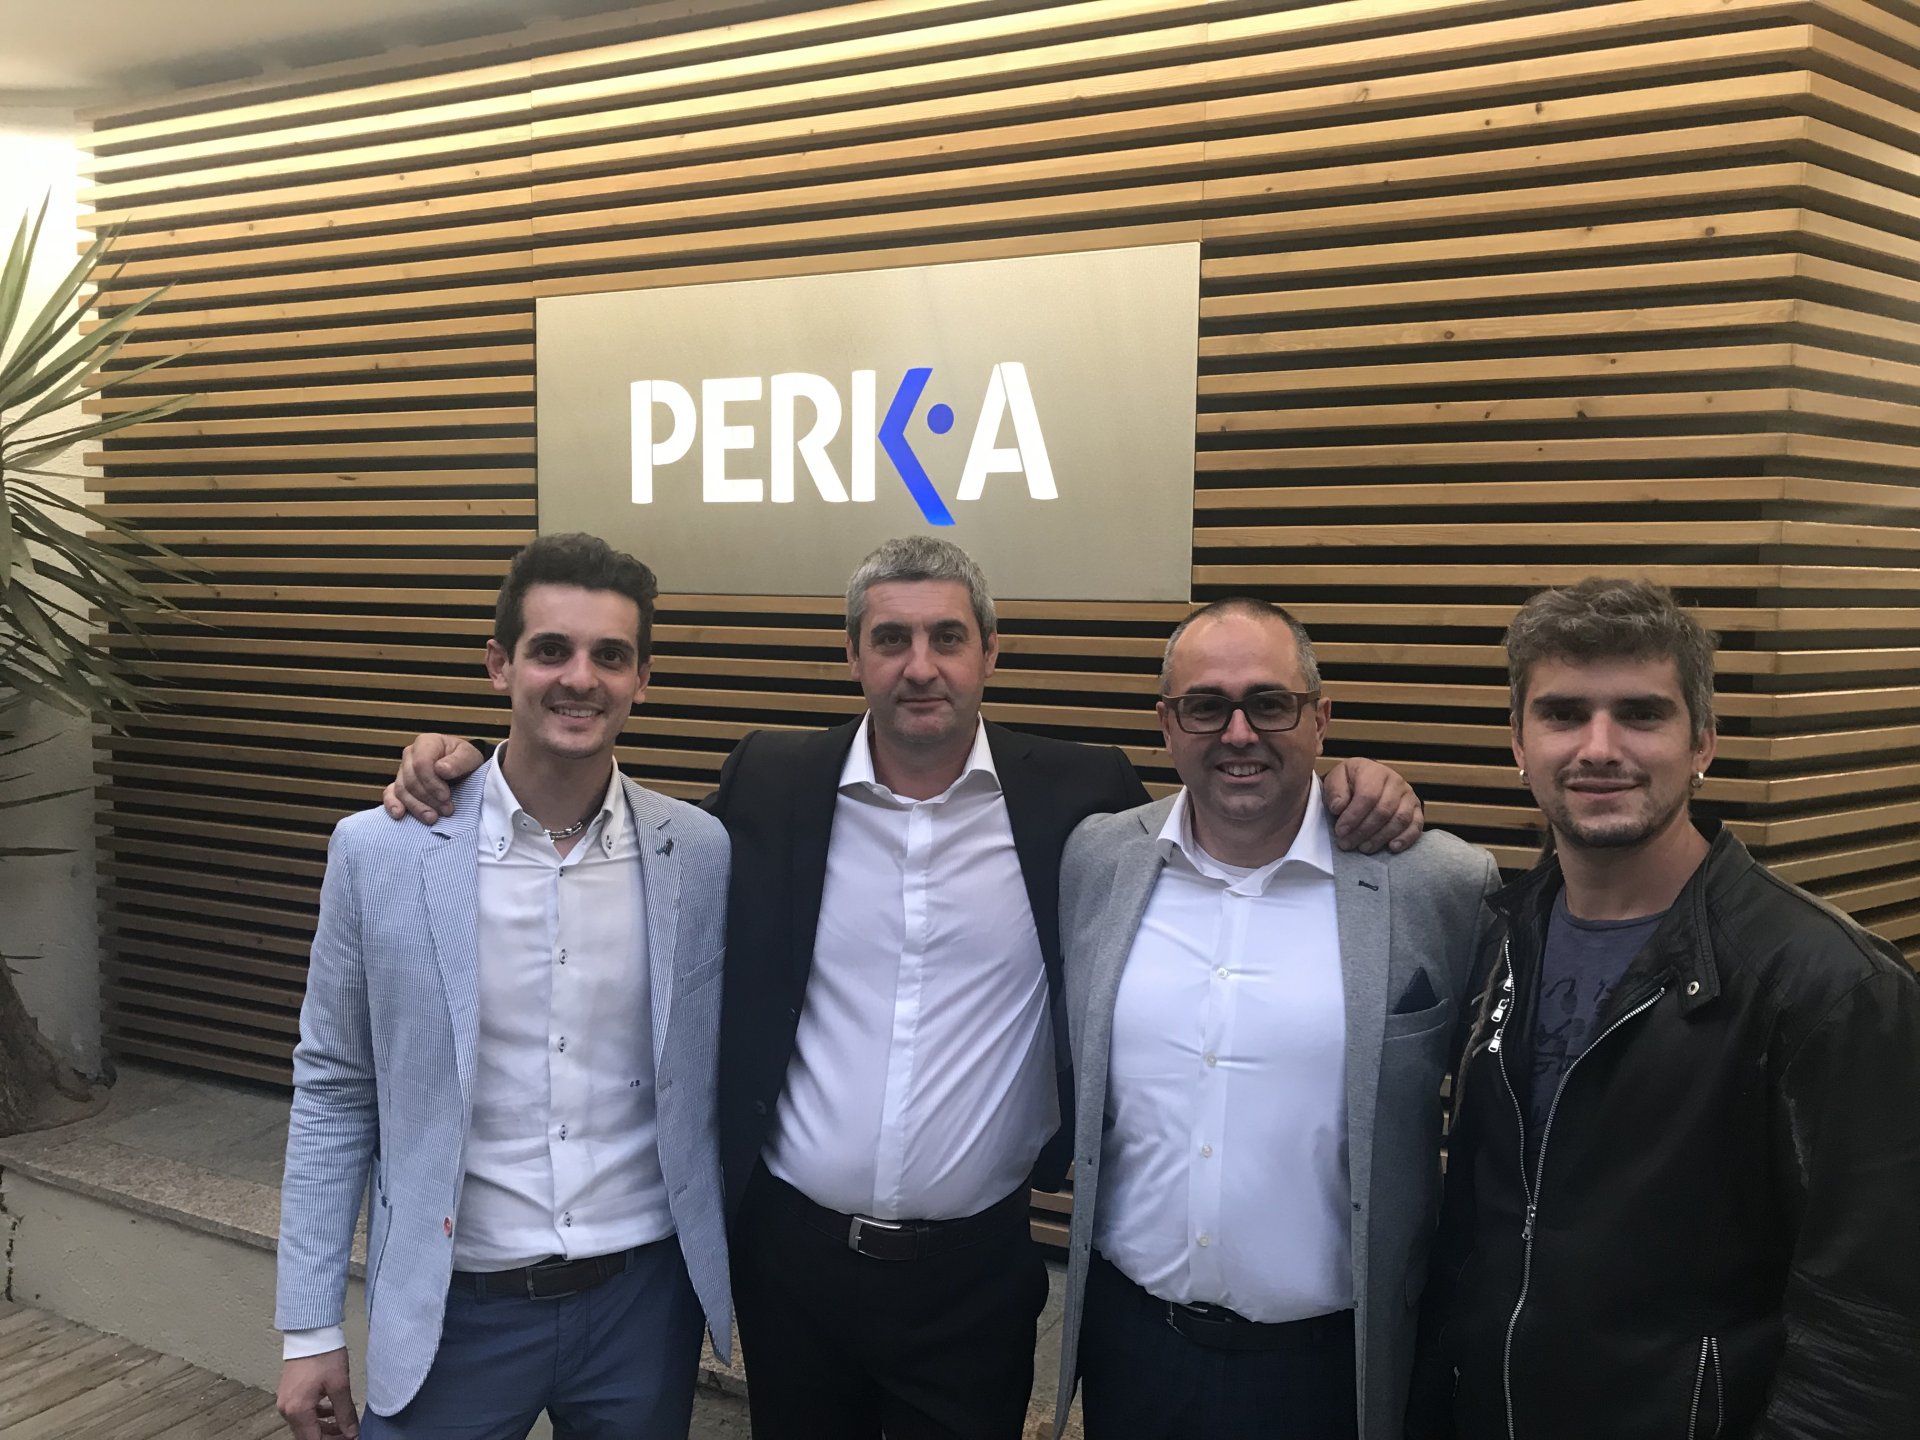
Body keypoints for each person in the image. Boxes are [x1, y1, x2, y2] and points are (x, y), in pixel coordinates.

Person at [382, 536, 1422, 1440]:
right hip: (793, 1264)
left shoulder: (1079, 796)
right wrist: (468, 769)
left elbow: (1224, 808)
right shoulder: (771, 780)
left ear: (990, 653)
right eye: (891, 639)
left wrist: (1345, 783)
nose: (920, 666)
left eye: (947, 638)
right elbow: (619, 835)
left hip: (974, 1273)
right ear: (854, 656)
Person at [1408, 578, 1920, 1440]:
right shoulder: (1499, 936)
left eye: (1641, 715)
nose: (1599, 748)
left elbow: (1872, 1335)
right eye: (1563, 714)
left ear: (1702, 742)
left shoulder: (1830, 987)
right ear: (1519, 743)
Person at [274, 534, 732, 1440]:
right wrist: (310, 1324)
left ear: (643, 679)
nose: (580, 678)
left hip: (643, 1304)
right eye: (551, 650)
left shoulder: (700, 852)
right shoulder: (380, 851)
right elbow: (334, 1085)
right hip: (452, 1310)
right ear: (499, 665)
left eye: (610, 656)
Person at [1052, 598, 1499, 1440]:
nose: (1239, 733)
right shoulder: (1097, 861)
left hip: (1332, 1368)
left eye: (1270, 703)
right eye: (1205, 706)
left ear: (1320, 718)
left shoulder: (1437, 886)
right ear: (1166, 724)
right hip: (1132, 1345)